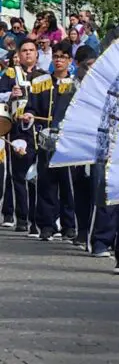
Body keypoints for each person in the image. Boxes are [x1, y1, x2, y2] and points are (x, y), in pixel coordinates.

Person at [22, 39, 77, 241]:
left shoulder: (75, 85)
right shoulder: (40, 82)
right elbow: (31, 107)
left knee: (68, 185)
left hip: (68, 142)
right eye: (56, 57)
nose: (59, 60)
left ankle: (69, 225)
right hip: (45, 140)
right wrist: (28, 114)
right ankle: (47, 225)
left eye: (63, 57)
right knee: (46, 183)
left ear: (70, 60)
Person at [0, 38, 44, 232]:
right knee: (17, 175)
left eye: (31, 50)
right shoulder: (11, 73)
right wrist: (10, 94)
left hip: (37, 129)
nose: (28, 53)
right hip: (17, 127)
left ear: (37, 54)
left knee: (38, 176)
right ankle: (21, 217)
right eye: (24, 50)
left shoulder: (44, 77)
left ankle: (38, 220)